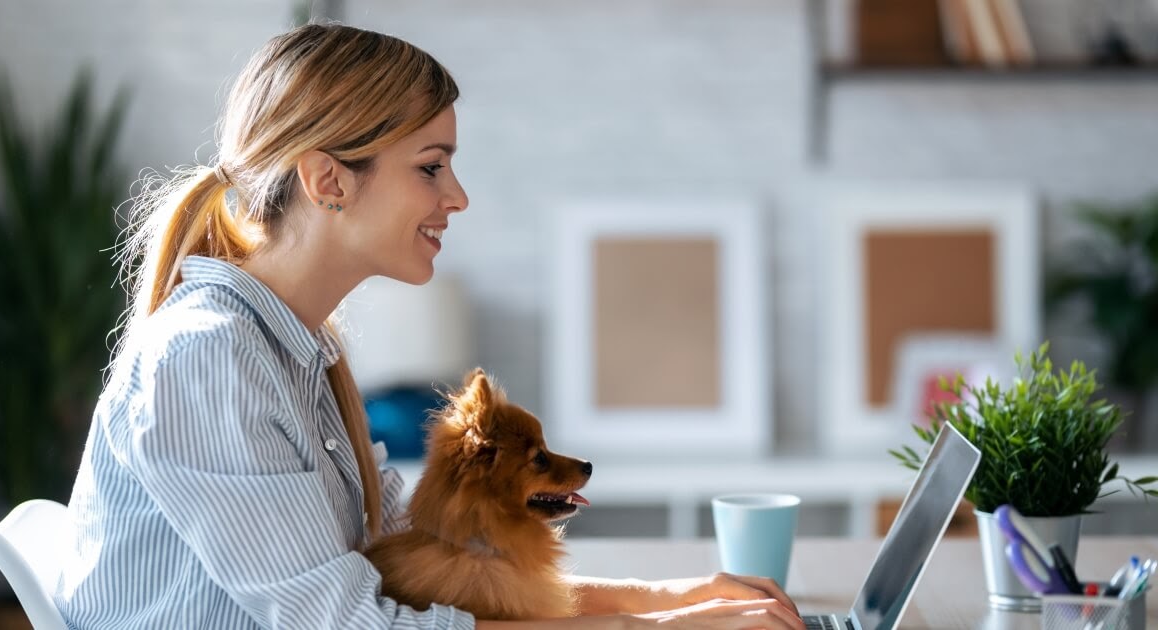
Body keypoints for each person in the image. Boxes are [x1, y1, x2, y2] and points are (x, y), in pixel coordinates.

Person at [56, 23, 806, 630]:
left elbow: (410, 573)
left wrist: (667, 598)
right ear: (328, 181)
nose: (458, 197)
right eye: (430, 167)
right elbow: (360, 626)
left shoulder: (292, 353)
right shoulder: (210, 358)